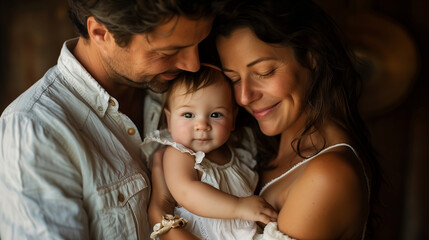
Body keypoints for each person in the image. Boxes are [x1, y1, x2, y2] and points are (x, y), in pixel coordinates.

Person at [150, 0, 381, 239]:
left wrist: (159, 213)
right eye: (234, 79)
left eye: (264, 72)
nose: (244, 97)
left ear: (311, 55)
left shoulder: (327, 176)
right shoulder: (252, 145)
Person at [0, 0, 229, 239]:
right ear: (101, 33)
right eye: (169, 52)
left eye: (198, 44)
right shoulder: (34, 131)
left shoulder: (190, 86)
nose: (193, 65)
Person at [142, 65, 277, 239]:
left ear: (233, 119)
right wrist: (238, 207)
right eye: (188, 115)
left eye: (215, 115)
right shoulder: (180, 153)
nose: (202, 125)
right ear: (169, 119)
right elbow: (186, 192)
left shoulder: (239, 154)